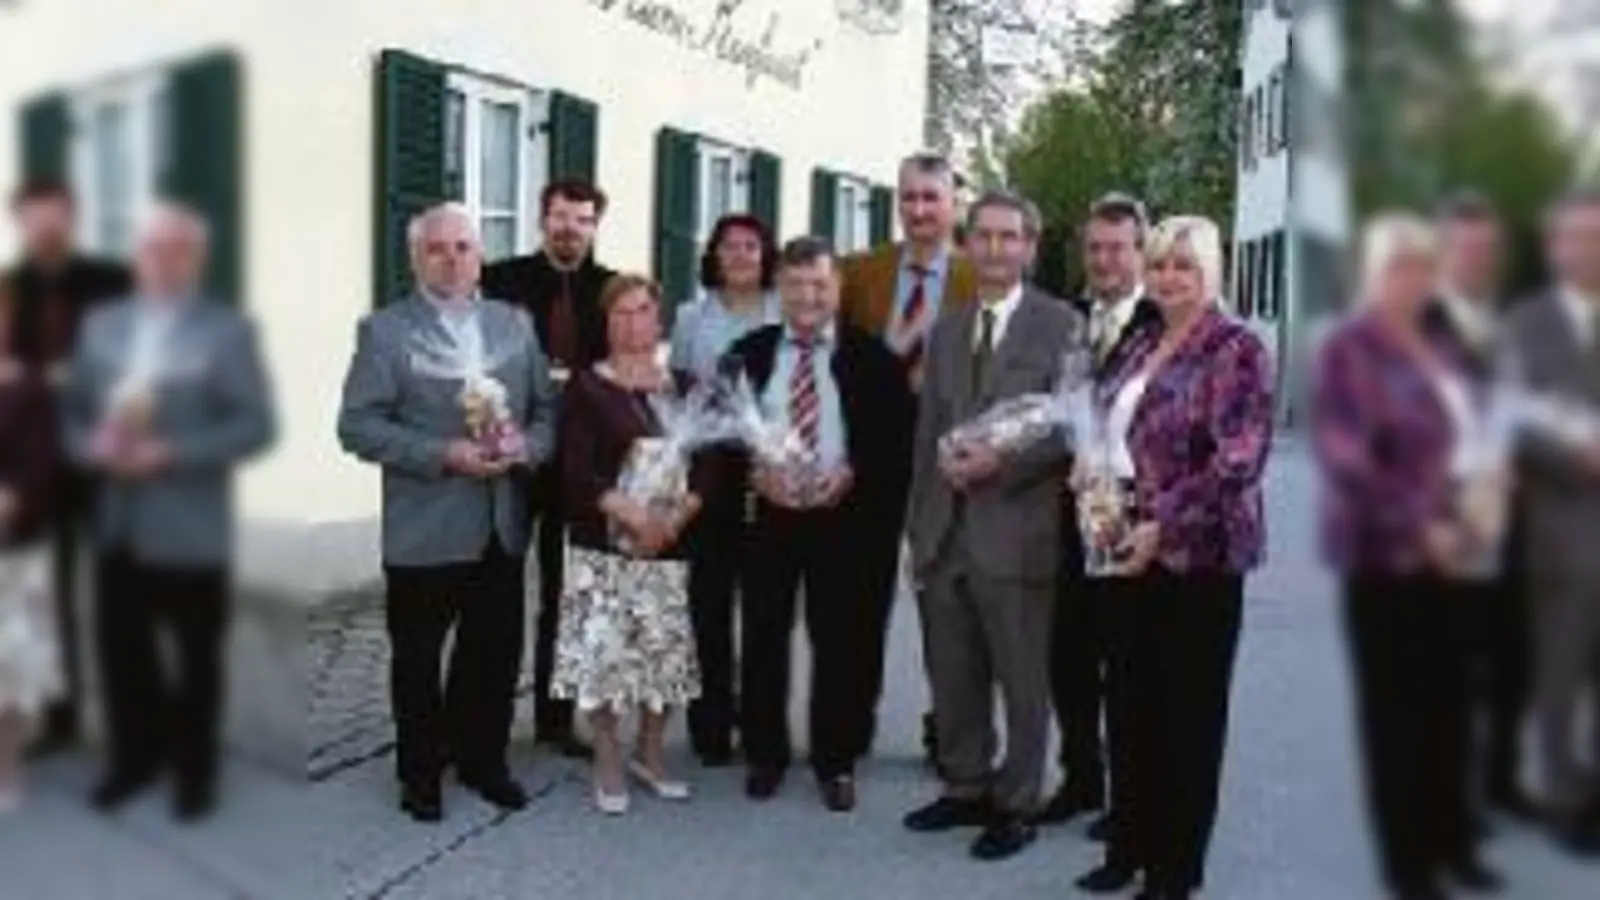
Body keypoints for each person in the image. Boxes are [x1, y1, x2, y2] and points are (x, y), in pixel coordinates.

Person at [1069, 216, 1273, 900]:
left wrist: (1162, 521)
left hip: (1198, 559)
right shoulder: (1142, 340)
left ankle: (1175, 871)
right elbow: (1104, 422)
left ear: (1210, 272)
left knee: (1187, 721)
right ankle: (1127, 847)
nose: (1168, 278)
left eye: (1184, 266)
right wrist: (1087, 466)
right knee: (1128, 708)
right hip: (1123, 551)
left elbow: (1238, 461)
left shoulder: (1236, 348)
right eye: (1158, 266)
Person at [337, 203, 555, 823]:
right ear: (416, 257)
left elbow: (545, 413)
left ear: (480, 253)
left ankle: (483, 761)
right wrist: (445, 453)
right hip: (426, 527)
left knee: (491, 658)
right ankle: (420, 774)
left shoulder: (514, 324)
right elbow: (357, 426)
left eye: (464, 246)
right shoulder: (385, 331)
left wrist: (526, 448)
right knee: (417, 663)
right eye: (438, 248)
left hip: (500, 524)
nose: (453, 258)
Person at [60, 202, 276, 821]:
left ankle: (193, 774)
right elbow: (72, 416)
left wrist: (172, 454)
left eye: (179, 249)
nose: (164, 260)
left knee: (196, 662)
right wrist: (93, 450)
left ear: (197, 258)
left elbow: (254, 425)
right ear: (137, 256)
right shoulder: (101, 326)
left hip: (189, 526)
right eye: (154, 248)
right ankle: (133, 762)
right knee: (123, 654)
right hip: (117, 523)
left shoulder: (227, 331)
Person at [1313, 213, 1504, 900]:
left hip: (1463, 557)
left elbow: (1483, 432)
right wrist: (1429, 527)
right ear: (1373, 273)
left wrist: (1485, 502)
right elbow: (1349, 460)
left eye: (1422, 266)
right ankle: (1408, 864)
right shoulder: (1348, 349)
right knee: (1399, 716)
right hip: (1387, 558)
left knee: (1455, 708)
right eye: (1397, 266)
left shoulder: (1445, 342)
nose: (1412, 279)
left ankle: (1453, 843)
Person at [902, 190, 1083, 861]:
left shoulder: (1060, 325)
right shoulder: (946, 328)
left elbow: (1070, 427)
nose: (997, 249)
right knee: (952, 672)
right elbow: (926, 436)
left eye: (1011, 237)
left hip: (1017, 533)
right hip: (944, 533)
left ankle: (1018, 802)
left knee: (1021, 675)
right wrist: (917, 531)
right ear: (967, 243)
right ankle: (966, 785)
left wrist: (998, 465)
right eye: (984, 236)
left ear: (1031, 248)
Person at [729, 236, 913, 812]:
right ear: (779, 290)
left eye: (820, 284)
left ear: (838, 290)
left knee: (841, 641)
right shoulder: (748, 353)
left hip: (843, 520)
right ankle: (765, 753)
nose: (808, 296)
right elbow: (719, 433)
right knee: (763, 637)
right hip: (770, 518)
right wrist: (753, 475)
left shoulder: (874, 358)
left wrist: (854, 472)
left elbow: (894, 443)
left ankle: (836, 760)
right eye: (796, 284)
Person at [838, 151, 976, 767]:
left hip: (949, 463)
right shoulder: (860, 274)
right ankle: (851, 719)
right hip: (871, 460)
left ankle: (948, 726)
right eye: (910, 197)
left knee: (947, 601)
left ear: (953, 205)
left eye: (932, 198)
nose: (919, 210)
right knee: (860, 598)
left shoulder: (981, 279)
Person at [551, 273, 706, 815]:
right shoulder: (586, 387)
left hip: (669, 544)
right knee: (607, 656)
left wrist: (673, 520)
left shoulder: (684, 385)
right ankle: (609, 755)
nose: (632, 321)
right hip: (605, 544)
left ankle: (651, 752)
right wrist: (634, 516)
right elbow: (575, 471)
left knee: (662, 657)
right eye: (620, 312)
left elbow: (708, 470)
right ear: (606, 322)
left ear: (658, 319)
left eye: (642, 310)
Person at [481, 178, 616, 759]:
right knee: (499, 588)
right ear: (543, 219)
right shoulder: (503, 280)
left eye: (582, 219)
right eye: (561, 217)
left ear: (594, 226)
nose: (570, 228)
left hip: (581, 464)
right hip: (513, 458)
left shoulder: (609, 289)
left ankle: (556, 721)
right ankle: (485, 717)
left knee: (569, 594)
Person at [1041, 191, 1163, 833]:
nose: (1104, 259)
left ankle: (1131, 796)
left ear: (1141, 251)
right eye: (1094, 247)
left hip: (1128, 508)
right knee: (1068, 652)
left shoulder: (1165, 320)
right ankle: (1081, 777)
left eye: (1117, 247)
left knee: (1126, 659)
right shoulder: (1068, 317)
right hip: (1069, 508)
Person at [3, 178, 131, 755]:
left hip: (104, 466)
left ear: (72, 217)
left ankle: (128, 719)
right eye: (35, 218)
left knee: (117, 596)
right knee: (40, 600)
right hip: (35, 468)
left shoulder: (111, 283)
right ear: (21, 222)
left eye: (56, 216)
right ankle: (57, 714)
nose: (46, 227)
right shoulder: (9, 290)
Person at [1428, 191, 1539, 825]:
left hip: (1511, 507)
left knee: (1511, 655)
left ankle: (1499, 779)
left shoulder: (1513, 325)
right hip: (1443, 513)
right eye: (1463, 247)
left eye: (1484, 249)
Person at [1505, 187, 1600, 856]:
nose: (1585, 249)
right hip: (1560, 529)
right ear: (1554, 246)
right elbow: (1511, 416)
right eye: (1573, 236)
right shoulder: (1527, 324)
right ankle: (1567, 802)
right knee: (1561, 676)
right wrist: (1575, 453)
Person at [666, 213, 781, 766]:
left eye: (751, 246)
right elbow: (682, 391)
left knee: (764, 602)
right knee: (707, 602)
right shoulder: (691, 316)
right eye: (728, 246)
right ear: (713, 255)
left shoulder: (784, 309)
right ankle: (711, 721)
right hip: (710, 469)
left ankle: (759, 721)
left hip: (770, 466)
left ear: (767, 254)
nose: (739, 255)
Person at [0, 283, 63, 812]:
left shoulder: (31, 388)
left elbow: (44, 465)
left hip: (14, 549)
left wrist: (14, 497)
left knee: (12, 668)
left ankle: (8, 770)